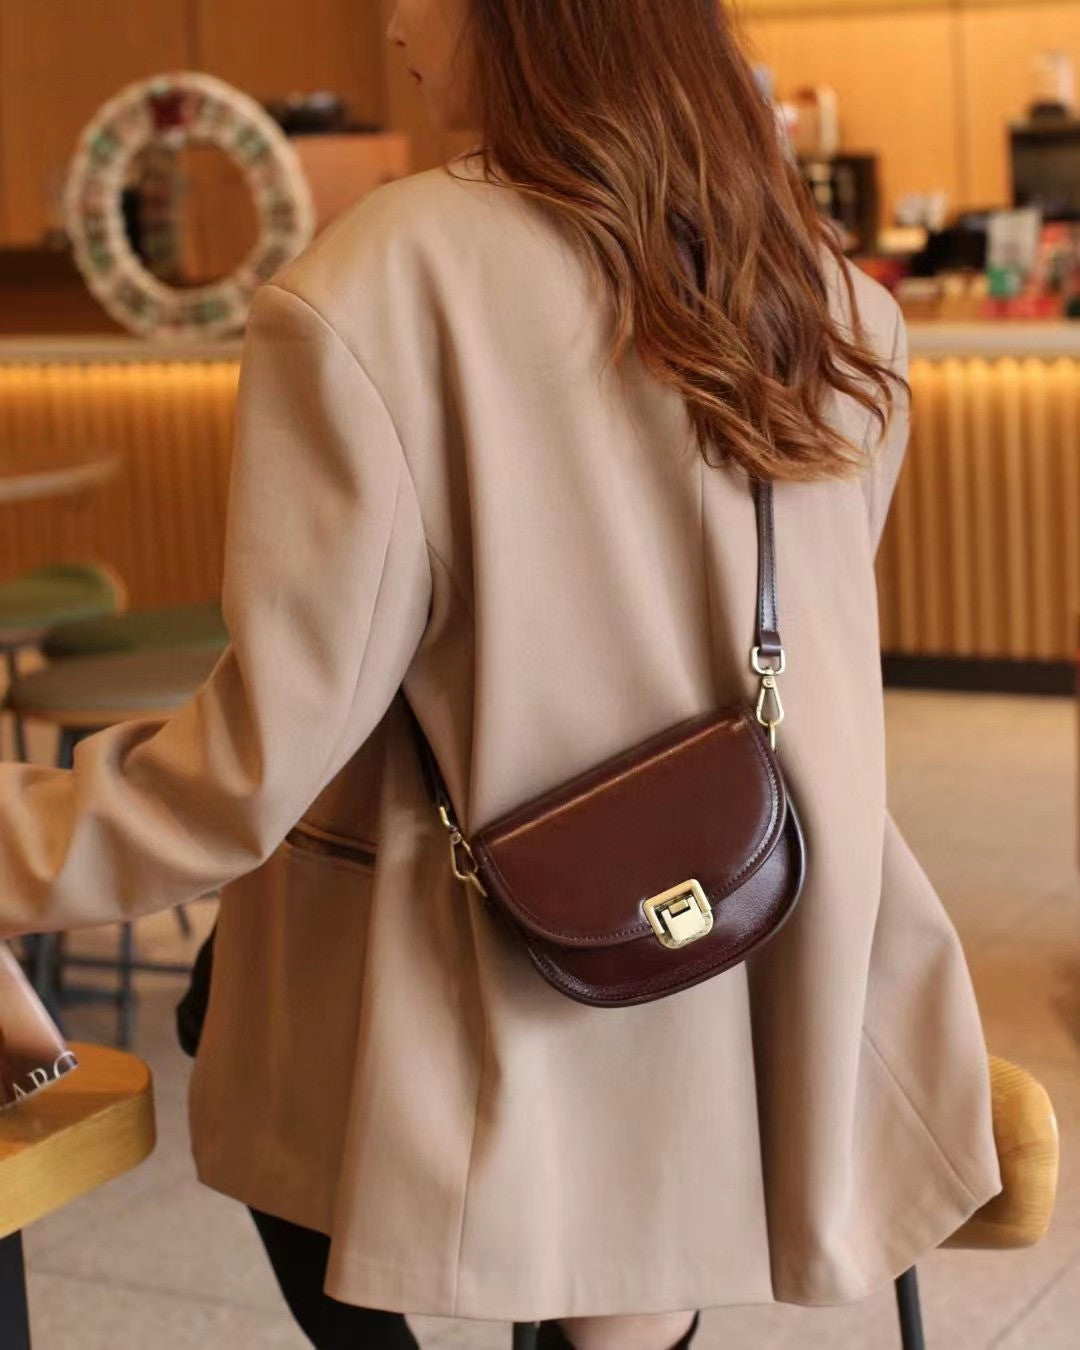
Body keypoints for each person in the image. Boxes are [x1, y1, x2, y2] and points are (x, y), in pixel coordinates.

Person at [1, 1, 1003, 1348]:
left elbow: (249, 772)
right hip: (771, 941)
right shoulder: (824, 288)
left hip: (516, 945)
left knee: (242, 1003)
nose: (393, 24)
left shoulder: (378, 286)